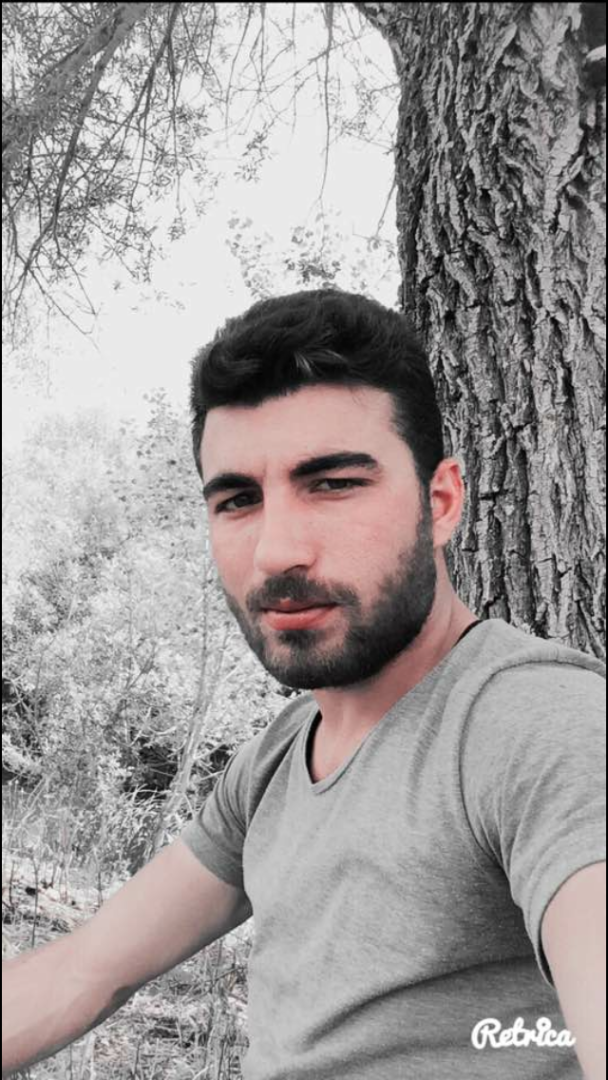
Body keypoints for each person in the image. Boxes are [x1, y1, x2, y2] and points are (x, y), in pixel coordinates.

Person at [2, 289, 605, 1080]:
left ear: (441, 502)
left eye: (333, 483)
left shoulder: (539, 723)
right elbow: (84, 972)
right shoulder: (278, 761)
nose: (277, 551)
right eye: (238, 500)